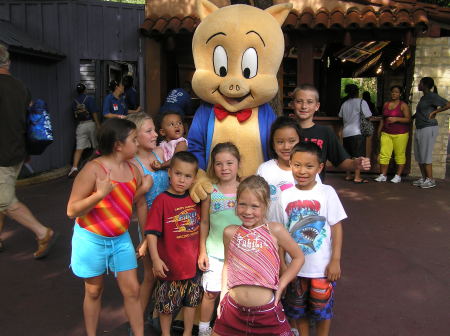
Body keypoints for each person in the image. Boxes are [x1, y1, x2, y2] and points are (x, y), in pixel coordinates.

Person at [67, 118, 148, 336]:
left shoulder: (134, 170)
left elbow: (134, 201)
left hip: (120, 240)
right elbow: (72, 210)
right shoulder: (93, 169)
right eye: (134, 139)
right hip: (91, 239)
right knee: (94, 291)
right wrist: (99, 194)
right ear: (118, 145)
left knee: (132, 290)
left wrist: (146, 235)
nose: (138, 143)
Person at [212, 175, 303, 336]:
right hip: (232, 310)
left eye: (255, 206)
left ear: (266, 205)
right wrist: (222, 298)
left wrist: (282, 284)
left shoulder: (275, 230)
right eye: (242, 205)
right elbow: (228, 265)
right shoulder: (230, 232)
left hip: (266, 312)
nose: (248, 211)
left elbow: (299, 257)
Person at [273, 142, 347, 336]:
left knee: (323, 311)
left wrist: (336, 260)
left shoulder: (327, 192)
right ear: (290, 164)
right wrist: (282, 265)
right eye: (297, 165)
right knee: (299, 311)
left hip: (321, 269)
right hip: (294, 269)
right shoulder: (284, 196)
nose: (302, 171)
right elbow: (280, 233)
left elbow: (336, 227)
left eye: (309, 166)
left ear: (320, 167)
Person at [0, 43, 58, 259]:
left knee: (4, 200)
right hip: (16, 152)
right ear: (9, 62)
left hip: (2, 155)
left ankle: (43, 233)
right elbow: (27, 120)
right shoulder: (21, 87)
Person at [145, 151, 202, 336]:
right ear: (169, 172)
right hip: (169, 267)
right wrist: (155, 259)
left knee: (191, 302)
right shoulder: (162, 201)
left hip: (192, 266)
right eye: (178, 174)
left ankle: (187, 332)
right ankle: (165, 333)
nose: (182, 180)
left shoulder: (195, 200)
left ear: (194, 179)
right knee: (166, 305)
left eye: (187, 176)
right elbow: (152, 233)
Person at [197, 142, 242, 336]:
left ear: (238, 164)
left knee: (236, 294)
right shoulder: (210, 191)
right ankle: (204, 329)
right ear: (213, 166)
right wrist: (202, 251)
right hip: (214, 252)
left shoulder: (244, 189)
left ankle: (232, 328)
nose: (224, 168)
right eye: (219, 164)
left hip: (240, 253)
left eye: (229, 163)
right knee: (210, 292)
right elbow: (204, 222)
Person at [126, 112, 169, 314]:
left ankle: (160, 314)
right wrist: (145, 237)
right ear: (135, 136)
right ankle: (136, 321)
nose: (155, 135)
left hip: (170, 220)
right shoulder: (133, 164)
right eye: (149, 131)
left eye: (155, 130)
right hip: (149, 223)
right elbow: (138, 203)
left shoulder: (160, 153)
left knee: (169, 270)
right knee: (151, 273)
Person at [291, 84, 371, 181]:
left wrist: (355, 164)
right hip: (286, 186)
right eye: (299, 101)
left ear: (317, 106)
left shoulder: (325, 132)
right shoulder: (285, 130)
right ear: (292, 104)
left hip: (314, 189)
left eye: (309, 102)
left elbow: (340, 160)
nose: (304, 106)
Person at [257, 116, 321, 222]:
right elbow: (256, 202)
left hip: (299, 233)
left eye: (292, 141)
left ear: (300, 141)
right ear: (273, 144)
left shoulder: (309, 172)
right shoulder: (264, 170)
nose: (286, 147)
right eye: (280, 142)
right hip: (270, 232)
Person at [412, 77, 450, 188]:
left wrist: (435, 111)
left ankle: (430, 180)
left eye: (420, 83)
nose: (418, 85)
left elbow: (448, 104)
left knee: (426, 154)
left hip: (428, 128)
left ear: (423, 85)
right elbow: (420, 112)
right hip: (419, 128)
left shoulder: (432, 96)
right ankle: (424, 178)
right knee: (419, 155)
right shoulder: (424, 97)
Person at [374, 85, 411, 183]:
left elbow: (408, 119)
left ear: (400, 94)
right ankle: (383, 175)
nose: (394, 94)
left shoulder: (403, 105)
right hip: (386, 133)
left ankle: (398, 176)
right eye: (393, 92)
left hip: (401, 134)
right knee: (384, 155)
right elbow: (383, 118)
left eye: (396, 92)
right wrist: (379, 131)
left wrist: (396, 119)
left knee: (399, 155)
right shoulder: (386, 104)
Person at [339, 84, 372, 183]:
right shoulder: (362, 102)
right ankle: (357, 177)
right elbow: (368, 115)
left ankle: (348, 175)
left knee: (348, 155)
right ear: (357, 92)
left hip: (346, 132)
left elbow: (340, 116)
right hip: (357, 132)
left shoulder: (344, 104)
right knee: (358, 155)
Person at [68, 83, 101, 178]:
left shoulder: (74, 102)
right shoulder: (89, 99)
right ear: (85, 90)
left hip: (80, 125)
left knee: (79, 148)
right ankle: (96, 166)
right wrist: (98, 124)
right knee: (95, 145)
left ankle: (74, 168)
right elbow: (94, 112)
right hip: (90, 123)